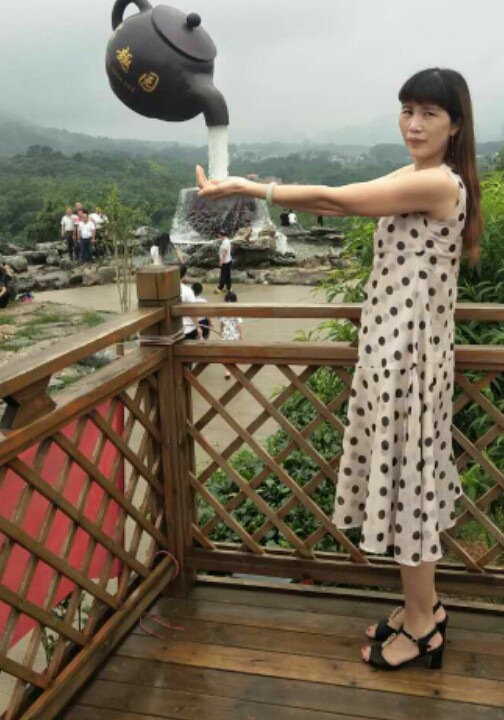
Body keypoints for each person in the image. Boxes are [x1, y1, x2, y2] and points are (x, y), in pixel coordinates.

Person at [196, 67, 483, 672]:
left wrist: (253, 188)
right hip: (395, 350)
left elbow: (337, 201)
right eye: (407, 110)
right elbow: (347, 190)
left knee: (409, 485)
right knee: (408, 479)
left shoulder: (438, 183)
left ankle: (424, 628)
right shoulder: (414, 175)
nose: (414, 124)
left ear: (455, 124)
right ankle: (423, 606)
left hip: (409, 358)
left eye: (429, 113)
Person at [220, 290, 243, 378]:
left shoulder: (223, 311)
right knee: (234, 352)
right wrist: (241, 335)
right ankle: (233, 367)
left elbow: (222, 323)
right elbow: (239, 324)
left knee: (226, 353)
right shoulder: (237, 310)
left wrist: (221, 332)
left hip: (225, 334)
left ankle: (227, 370)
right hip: (234, 335)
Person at [179, 265, 199, 339]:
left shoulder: (165, 290)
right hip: (188, 329)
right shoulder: (187, 291)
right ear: (184, 275)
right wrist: (198, 327)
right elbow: (192, 311)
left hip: (171, 331)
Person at [215, 229, 232, 295]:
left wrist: (221, 261)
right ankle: (228, 288)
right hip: (228, 261)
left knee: (223, 275)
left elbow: (225, 252)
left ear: (221, 235)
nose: (218, 236)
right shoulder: (226, 241)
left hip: (225, 262)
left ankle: (220, 288)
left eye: (219, 235)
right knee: (227, 275)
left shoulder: (225, 242)